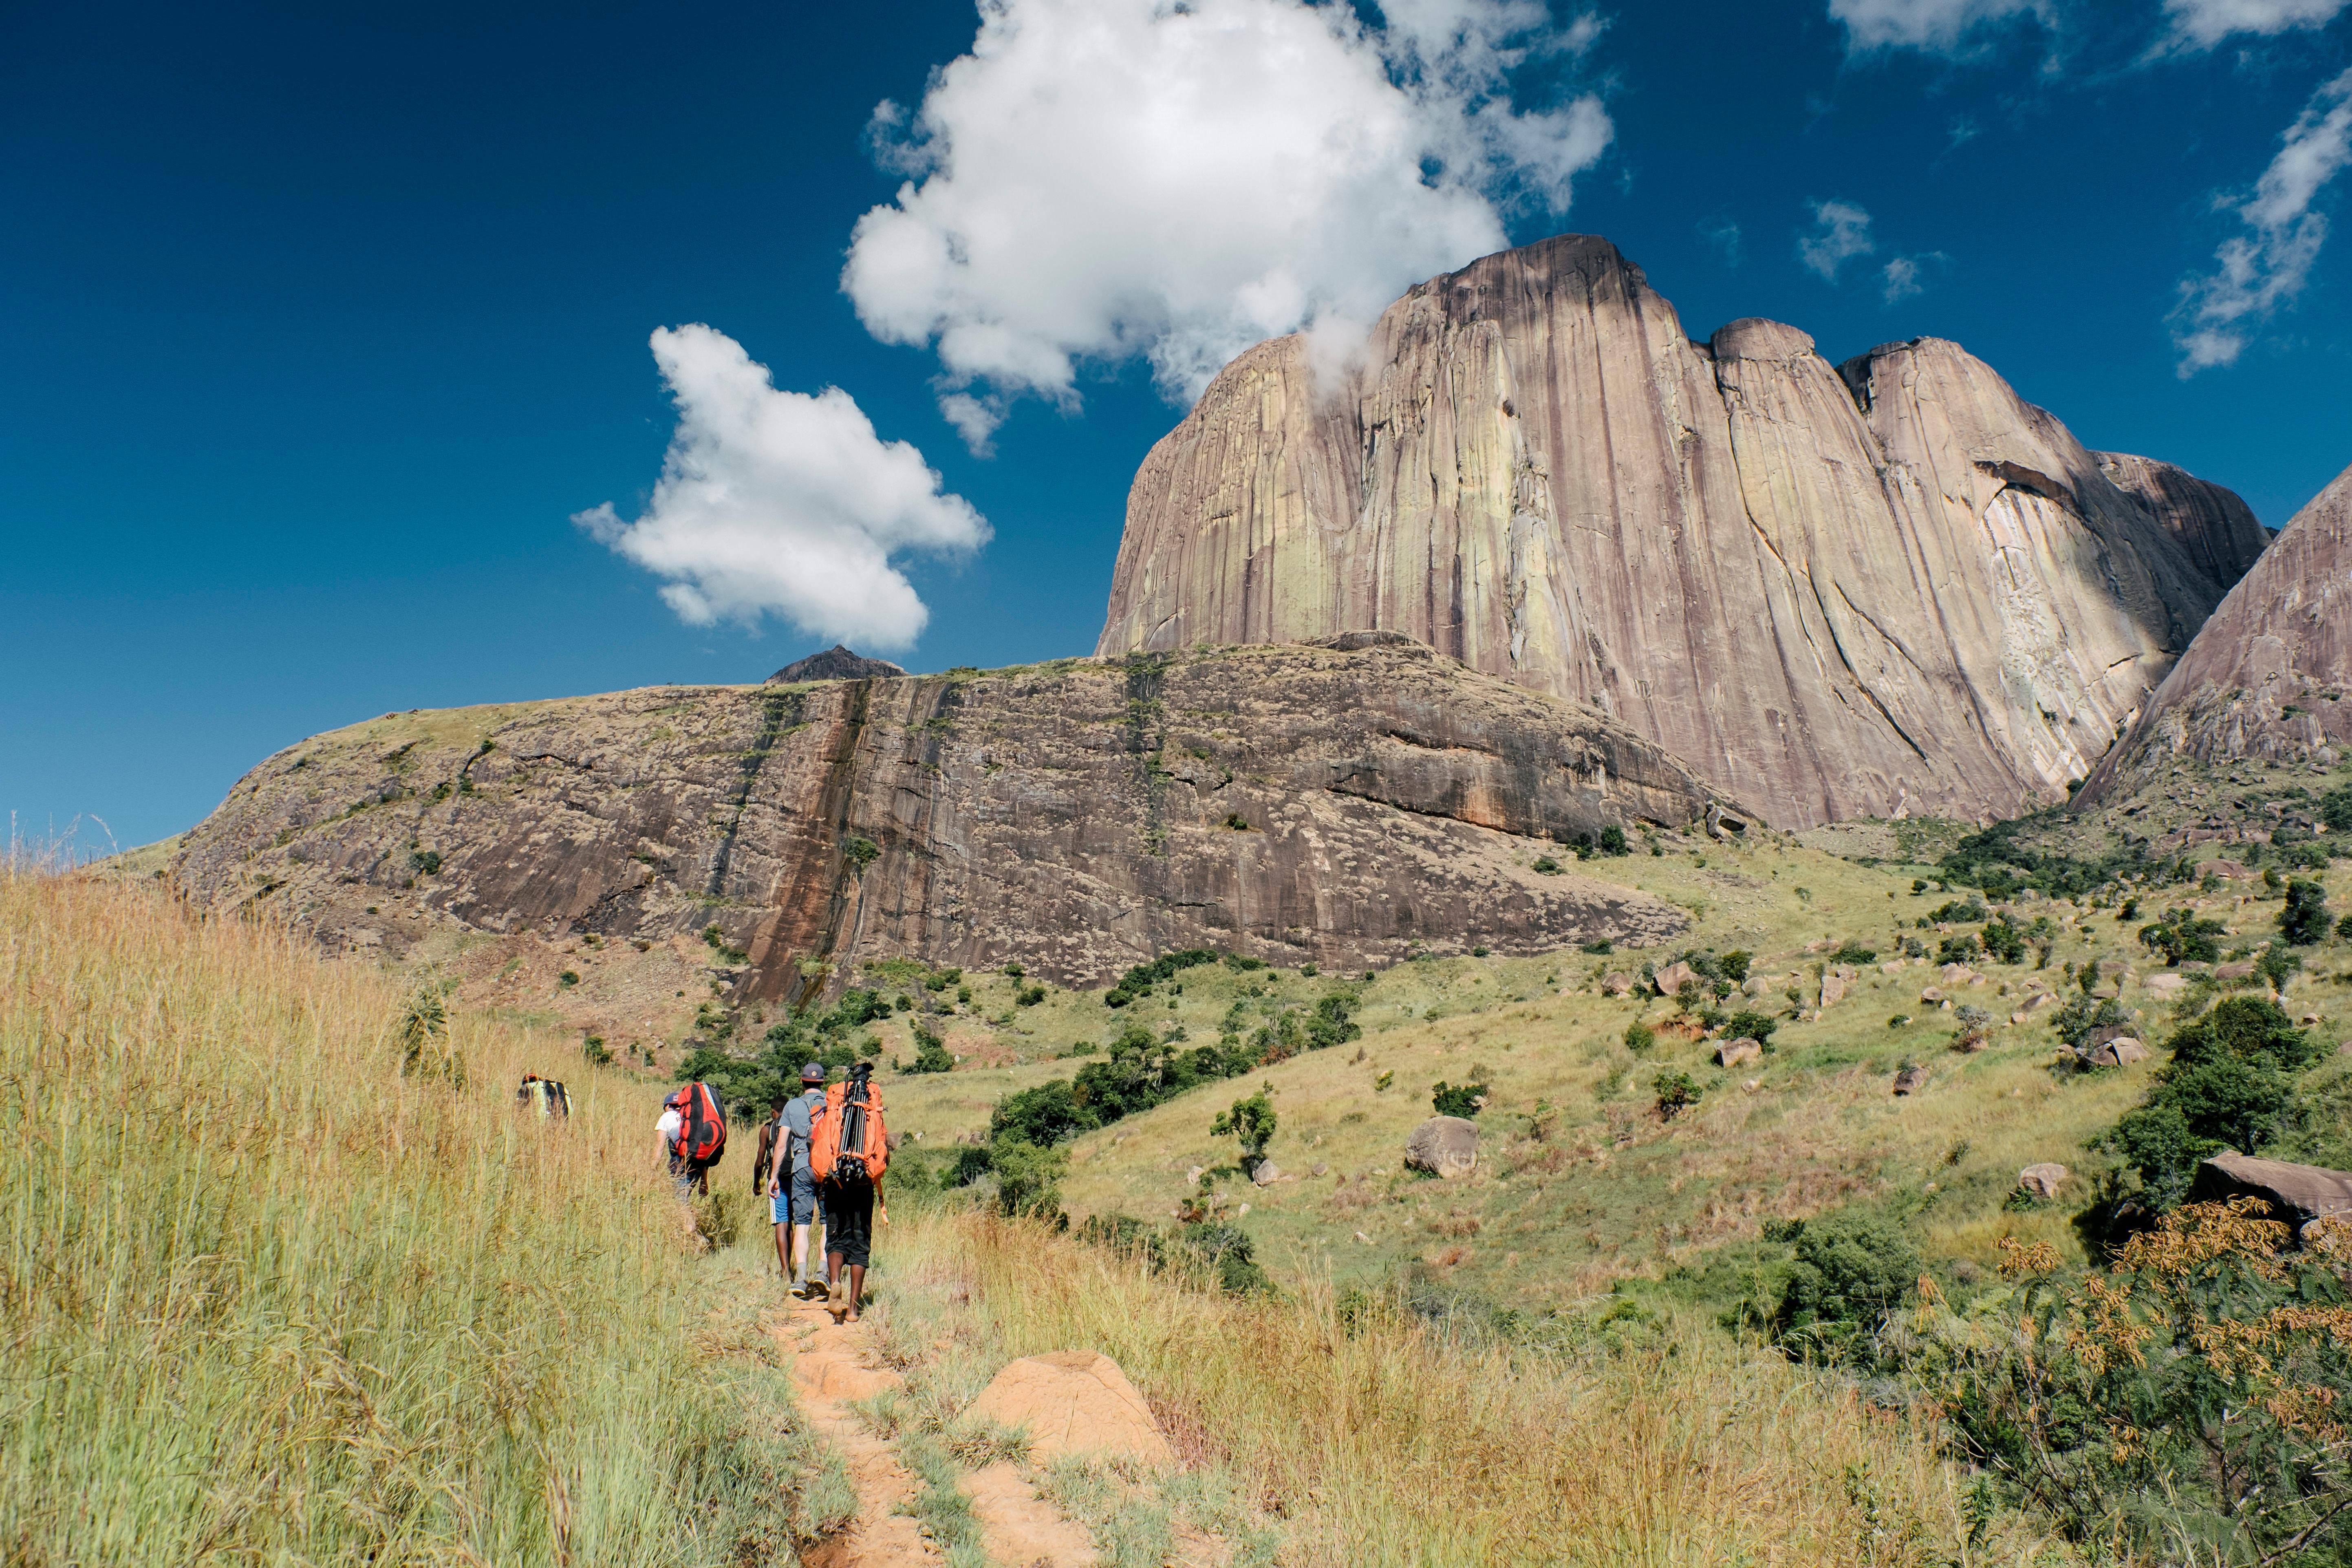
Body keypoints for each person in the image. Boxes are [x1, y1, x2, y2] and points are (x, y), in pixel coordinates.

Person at [771, 1064, 829, 1299]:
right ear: (822, 1083)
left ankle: (802, 1279)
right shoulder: (833, 1102)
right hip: (828, 1169)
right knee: (827, 1223)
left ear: (802, 1082)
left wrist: (774, 1177)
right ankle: (823, 1273)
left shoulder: (792, 1106)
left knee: (803, 1225)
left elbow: (781, 1145)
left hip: (802, 1167)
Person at [751, 1094, 791, 1281]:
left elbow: (760, 1161)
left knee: (781, 1222)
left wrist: (756, 1183)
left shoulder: (767, 1129)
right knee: (792, 1222)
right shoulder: (795, 1123)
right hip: (797, 1177)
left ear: (773, 1112)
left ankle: (785, 1271)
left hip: (777, 1180)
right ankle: (795, 1266)